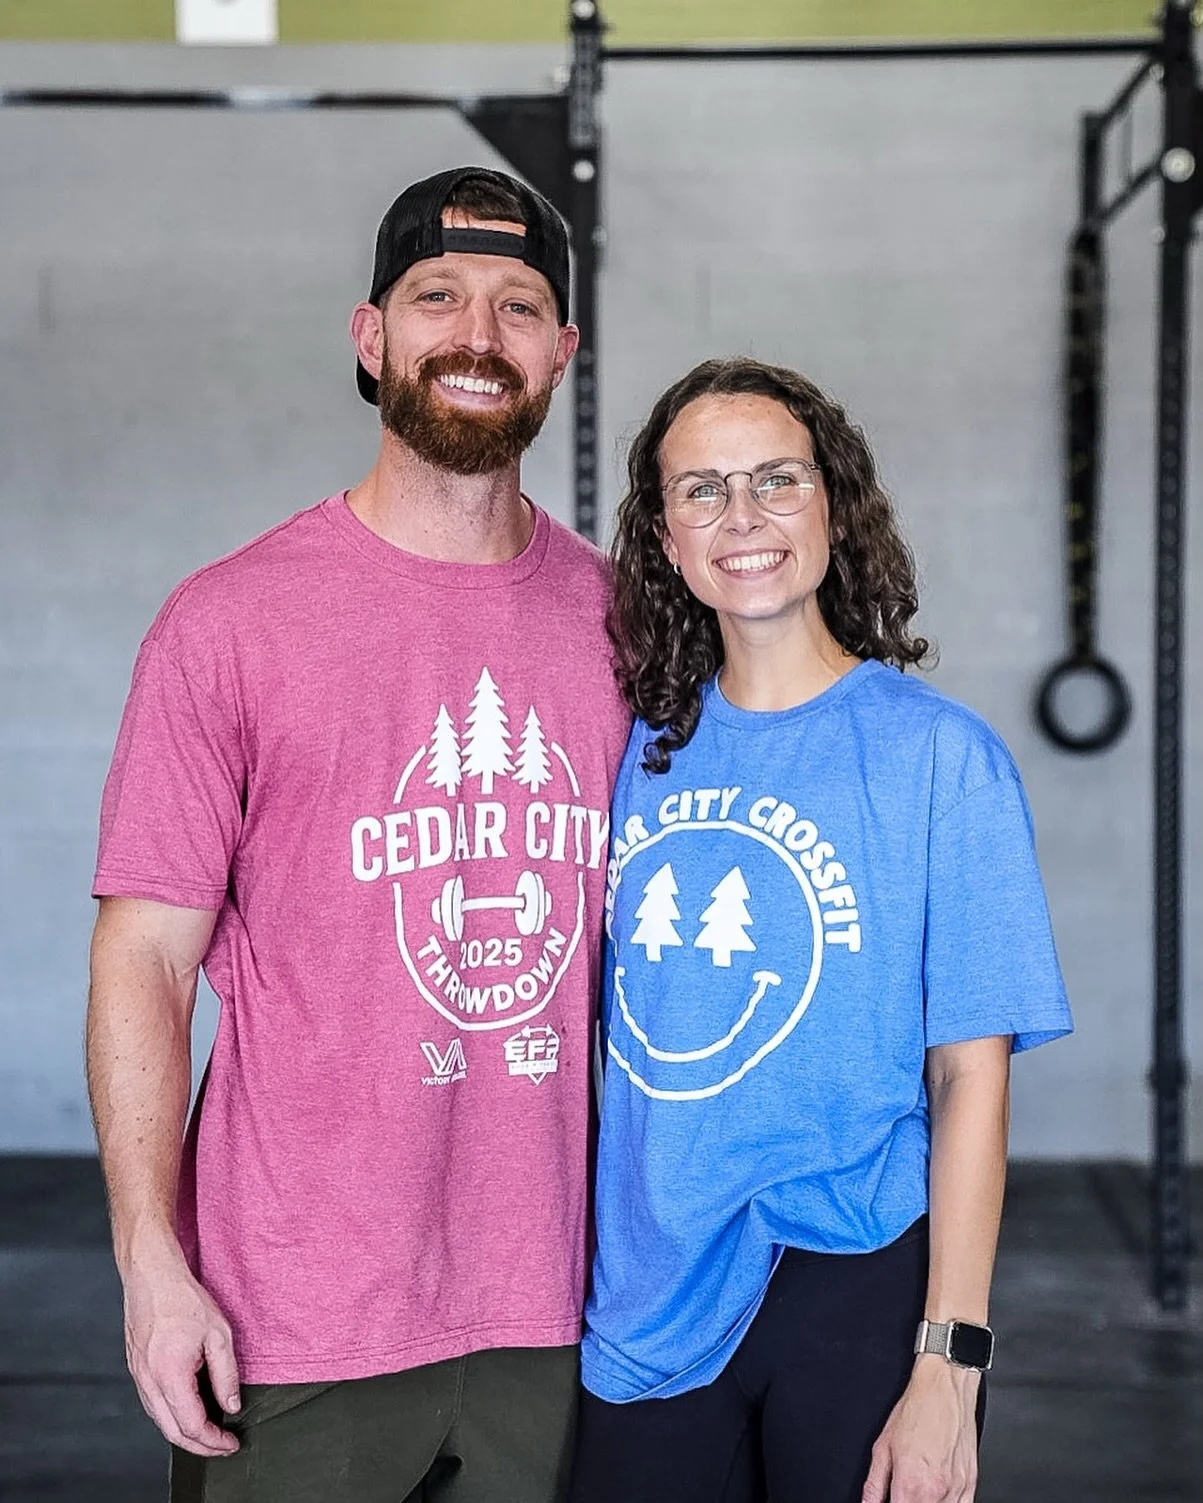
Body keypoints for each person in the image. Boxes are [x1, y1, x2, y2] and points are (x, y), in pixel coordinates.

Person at [86, 165, 630, 1503]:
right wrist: (153, 1264)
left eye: (517, 305)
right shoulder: (228, 622)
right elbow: (144, 960)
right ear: (370, 334)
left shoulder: (628, 626)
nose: (475, 333)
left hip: (560, 1301)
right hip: (296, 1312)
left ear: (561, 351)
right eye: (435, 294)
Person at [569, 357, 1073, 1503]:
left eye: (775, 480)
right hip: (649, 1287)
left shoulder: (939, 759)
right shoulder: (629, 754)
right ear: (664, 535)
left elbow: (971, 1086)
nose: (740, 517)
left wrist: (951, 1365)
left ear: (833, 504)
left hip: (855, 1278)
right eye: (701, 491)